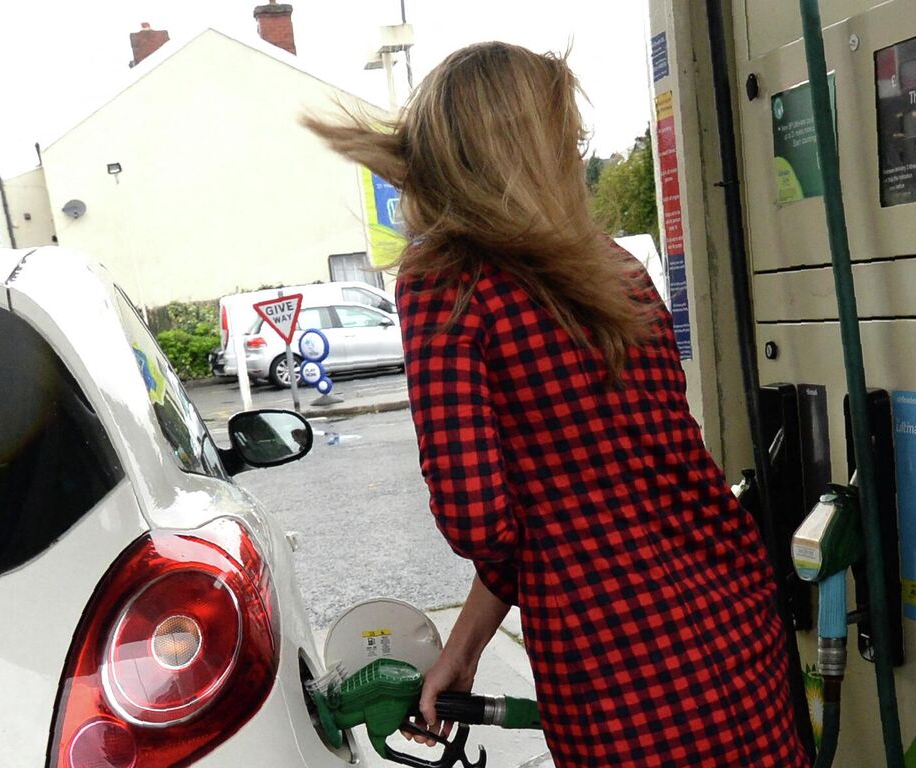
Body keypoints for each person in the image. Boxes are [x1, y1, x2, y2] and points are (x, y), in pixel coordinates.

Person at [306, 42, 810, 767]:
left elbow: (483, 519)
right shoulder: (617, 268)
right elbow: (661, 461)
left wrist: (477, 626)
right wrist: (467, 648)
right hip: (732, 622)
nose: (574, 153)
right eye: (565, 138)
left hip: (618, 664)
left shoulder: (444, 283)